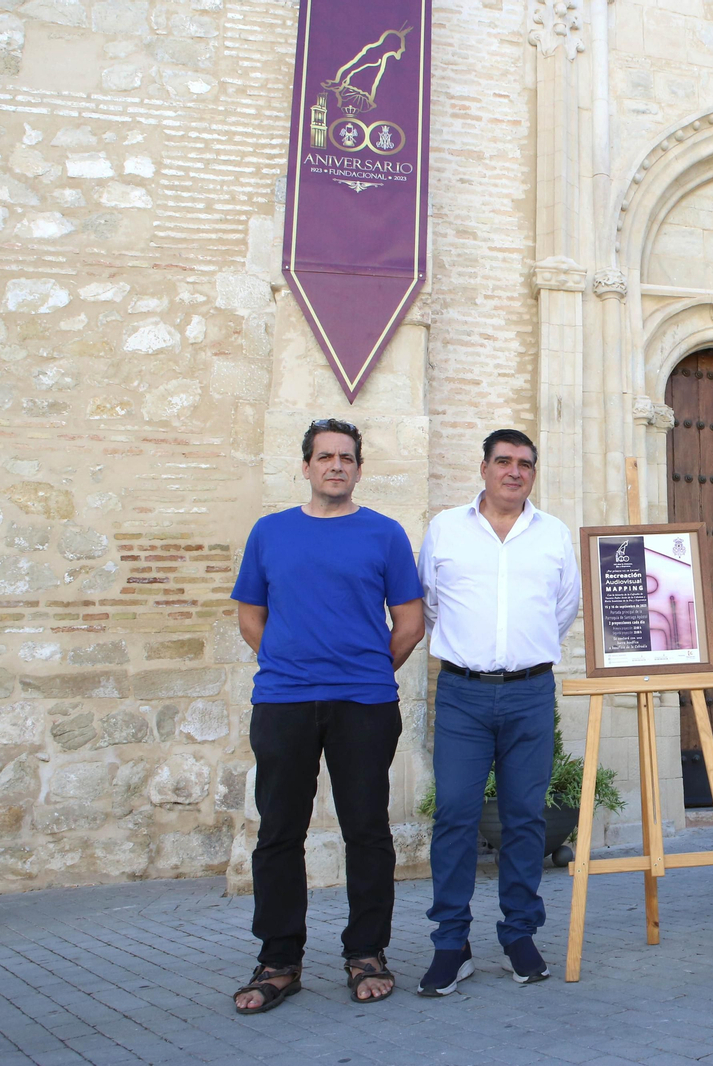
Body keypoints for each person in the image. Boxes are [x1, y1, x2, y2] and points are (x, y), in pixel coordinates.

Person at [230, 418, 425, 1013]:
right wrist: (292, 663)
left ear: (359, 469)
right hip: (284, 702)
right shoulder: (270, 533)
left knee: (366, 830)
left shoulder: (385, 534)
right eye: (325, 456)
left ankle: (367, 952)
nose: (336, 465)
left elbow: (410, 622)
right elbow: (249, 617)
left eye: (346, 457)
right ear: (307, 466)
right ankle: (279, 959)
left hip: (364, 703)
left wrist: (364, 669)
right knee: (279, 832)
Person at [418, 428, 580, 993]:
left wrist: (516, 658)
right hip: (462, 694)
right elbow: (433, 606)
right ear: (483, 467)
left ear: (534, 473)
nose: (515, 472)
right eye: (504, 462)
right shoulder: (445, 530)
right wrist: (480, 656)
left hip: (530, 693)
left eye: (526, 464)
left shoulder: (555, 536)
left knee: (526, 819)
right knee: (456, 815)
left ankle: (518, 935)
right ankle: (450, 944)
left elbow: (562, 611)